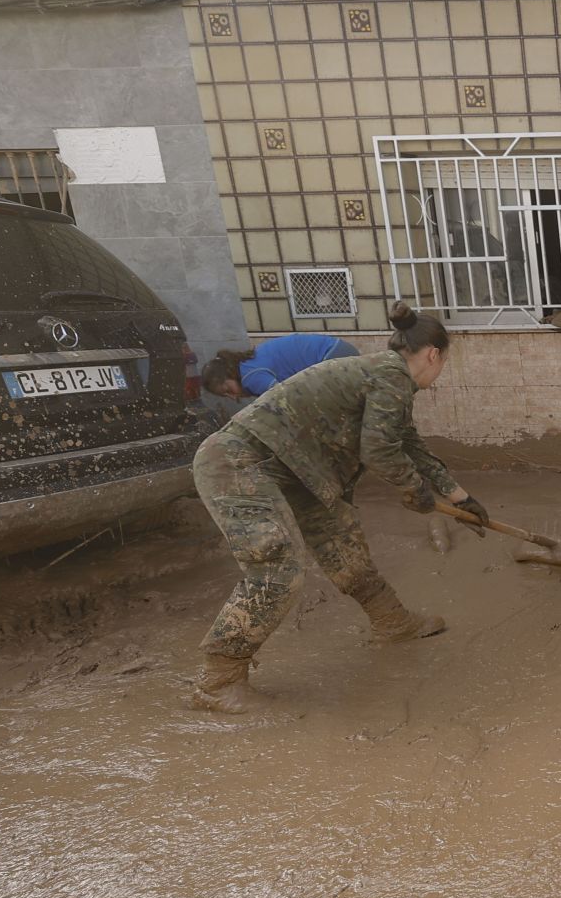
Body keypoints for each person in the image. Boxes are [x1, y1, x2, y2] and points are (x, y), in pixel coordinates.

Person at [187, 303, 490, 712]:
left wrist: (460, 497)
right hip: (239, 462)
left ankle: (393, 623)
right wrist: (415, 491)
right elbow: (380, 449)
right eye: (444, 362)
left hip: (296, 470)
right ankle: (218, 680)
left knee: (343, 542)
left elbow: (408, 444)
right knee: (276, 567)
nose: (440, 373)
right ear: (434, 354)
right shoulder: (390, 376)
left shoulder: (384, 377)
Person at [203, 333, 361, 400]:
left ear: (230, 373)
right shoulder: (248, 363)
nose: (233, 397)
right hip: (339, 349)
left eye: (228, 390)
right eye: (226, 396)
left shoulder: (251, 377)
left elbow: (283, 400)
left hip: (331, 357)